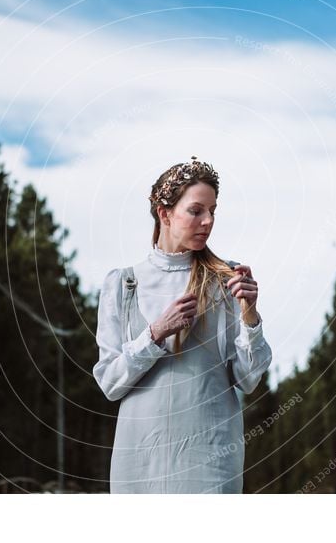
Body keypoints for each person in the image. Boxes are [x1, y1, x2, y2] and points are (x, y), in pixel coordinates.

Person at [92, 155, 273, 493]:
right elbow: (109, 383)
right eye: (196, 210)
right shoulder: (121, 284)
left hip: (210, 461)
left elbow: (248, 380)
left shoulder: (226, 280)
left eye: (213, 211)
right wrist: (156, 334)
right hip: (139, 466)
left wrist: (250, 314)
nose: (208, 221)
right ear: (165, 213)